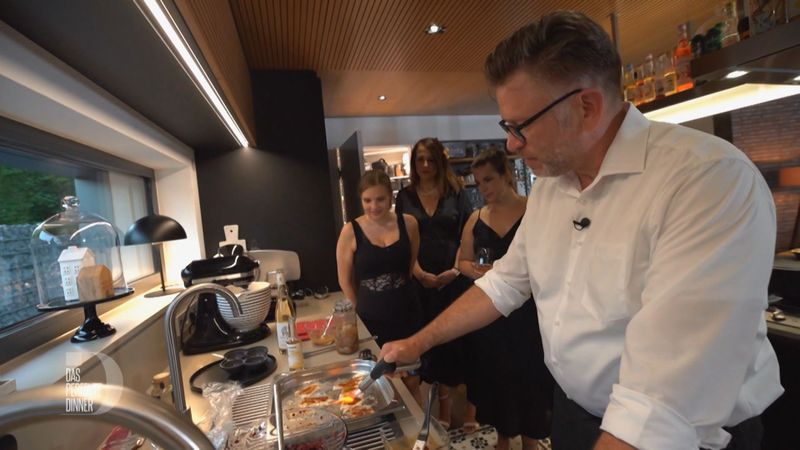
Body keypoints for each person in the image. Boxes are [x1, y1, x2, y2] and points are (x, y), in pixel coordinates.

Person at [380, 11, 782, 450]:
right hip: (574, 416)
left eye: (520, 126)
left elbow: (662, 401)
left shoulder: (706, 180)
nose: (511, 144)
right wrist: (417, 342)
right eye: (506, 127)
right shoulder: (553, 187)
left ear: (585, 107)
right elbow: (505, 283)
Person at [457, 148, 554, 450]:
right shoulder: (476, 218)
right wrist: (478, 273)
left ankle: (531, 441)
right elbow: (461, 261)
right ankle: (502, 438)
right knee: (498, 379)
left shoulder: (535, 209)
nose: (483, 188)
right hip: (492, 313)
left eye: (489, 180)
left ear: (507, 175)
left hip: (529, 313)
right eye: (478, 183)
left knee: (530, 378)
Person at [395, 137, 473, 428]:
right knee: (431, 345)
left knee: (456, 343)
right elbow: (404, 239)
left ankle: (457, 408)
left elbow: (468, 233)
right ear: (413, 163)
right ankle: (440, 406)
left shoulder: (456, 192)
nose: (425, 165)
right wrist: (418, 272)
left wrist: (454, 270)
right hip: (420, 282)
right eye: (420, 160)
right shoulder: (404, 197)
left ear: (440, 161)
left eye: (430, 159)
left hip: (453, 280)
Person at [336, 170, 423, 400]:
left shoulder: (409, 224)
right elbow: (344, 280)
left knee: (412, 378)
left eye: (380, 199)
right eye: (367, 200)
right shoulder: (350, 231)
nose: (374, 206)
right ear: (361, 200)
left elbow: (410, 266)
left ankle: (419, 431)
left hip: (407, 310)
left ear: (391, 197)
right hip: (372, 317)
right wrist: (361, 309)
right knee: (380, 382)